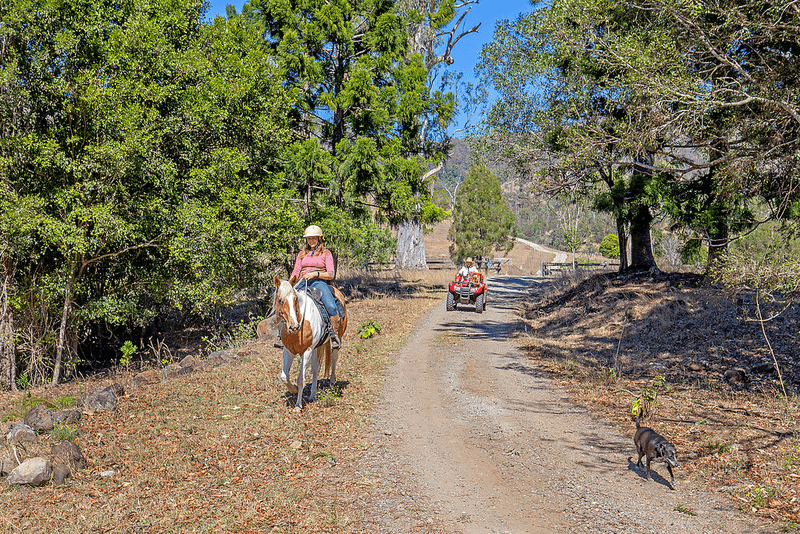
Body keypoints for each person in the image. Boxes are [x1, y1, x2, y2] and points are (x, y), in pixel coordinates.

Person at [276, 224, 342, 349]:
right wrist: (290, 284)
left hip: (319, 282)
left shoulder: (326, 253)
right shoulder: (301, 254)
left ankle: (333, 335)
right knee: (285, 302)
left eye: (314, 238)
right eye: (309, 238)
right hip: (301, 282)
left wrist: (315, 274)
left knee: (331, 306)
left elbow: (331, 274)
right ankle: (280, 334)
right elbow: (296, 271)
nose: (311, 241)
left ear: (319, 238)